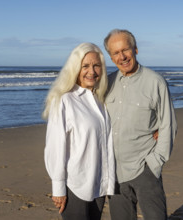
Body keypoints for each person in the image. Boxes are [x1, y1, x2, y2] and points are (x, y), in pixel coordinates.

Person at [104, 29, 177, 220]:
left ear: (135, 49)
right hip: (115, 174)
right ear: (111, 57)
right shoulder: (107, 83)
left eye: (125, 50)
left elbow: (168, 125)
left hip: (145, 169)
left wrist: (154, 163)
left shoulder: (155, 82)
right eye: (116, 53)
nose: (122, 57)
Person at [43, 43, 115, 220]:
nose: (92, 71)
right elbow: (55, 147)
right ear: (75, 68)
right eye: (85, 66)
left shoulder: (101, 101)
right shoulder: (64, 101)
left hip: (99, 184)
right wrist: (58, 188)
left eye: (96, 65)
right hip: (76, 186)